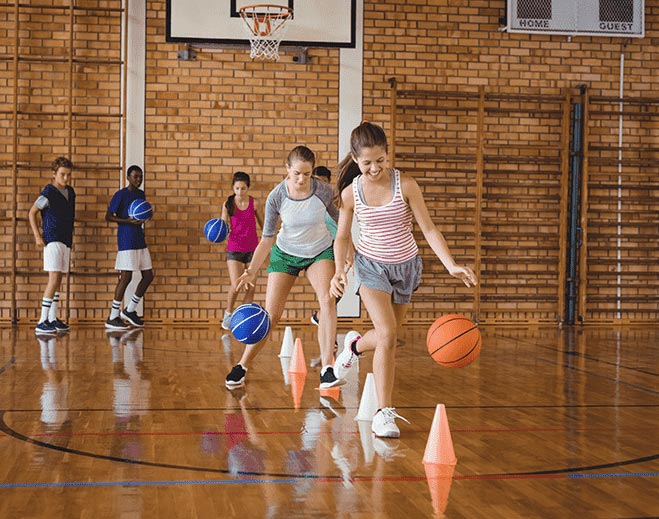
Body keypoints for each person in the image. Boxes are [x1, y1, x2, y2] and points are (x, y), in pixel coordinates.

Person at [330, 122, 477, 439]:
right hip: (371, 268)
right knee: (386, 333)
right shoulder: (350, 193)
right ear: (356, 160)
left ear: (387, 153)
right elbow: (342, 237)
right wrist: (340, 270)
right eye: (367, 162)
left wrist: (450, 264)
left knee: (390, 339)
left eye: (380, 160)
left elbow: (428, 229)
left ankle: (354, 346)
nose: (375, 168)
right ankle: (384, 413)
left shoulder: (406, 185)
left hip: (406, 267)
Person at [225, 145, 342, 390]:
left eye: (307, 174)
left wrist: (346, 258)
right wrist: (252, 271)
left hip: (319, 251)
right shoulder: (276, 196)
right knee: (271, 316)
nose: (301, 179)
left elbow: (342, 225)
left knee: (327, 300)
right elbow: (267, 238)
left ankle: (328, 369)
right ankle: (242, 365)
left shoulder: (323, 191)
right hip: (285, 253)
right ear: (287, 169)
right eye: (297, 173)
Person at [28, 157, 76, 335]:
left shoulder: (71, 193)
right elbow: (32, 213)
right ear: (54, 174)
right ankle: (42, 321)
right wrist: (37, 236)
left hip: (65, 240)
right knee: (53, 279)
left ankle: (52, 318)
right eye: (62, 175)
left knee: (59, 280)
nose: (66, 178)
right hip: (52, 238)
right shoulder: (48, 192)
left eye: (68, 175)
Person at [104, 165, 155, 330]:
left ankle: (130, 310)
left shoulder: (141, 194)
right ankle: (113, 316)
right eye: (135, 177)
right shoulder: (121, 195)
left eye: (140, 177)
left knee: (148, 275)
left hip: (139, 238)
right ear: (128, 177)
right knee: (126, 277)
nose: (138, 180)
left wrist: (146, 215)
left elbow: (142, 212)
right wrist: (127, 220)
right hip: (126, 239)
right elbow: (108, 216)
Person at [220, 171, 264, 330]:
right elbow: (222, 227)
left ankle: (244, 317)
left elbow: (264, 226)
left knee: (251, 286)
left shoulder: (255, 204)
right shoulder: (228, 204)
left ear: (248, 188)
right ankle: (228, 313)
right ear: (233, 187)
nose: (239, 192)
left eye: (243, 189)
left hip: (253, 249)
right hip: (234, 249)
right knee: (237, 284)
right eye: (237, 188)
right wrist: (218, 233)